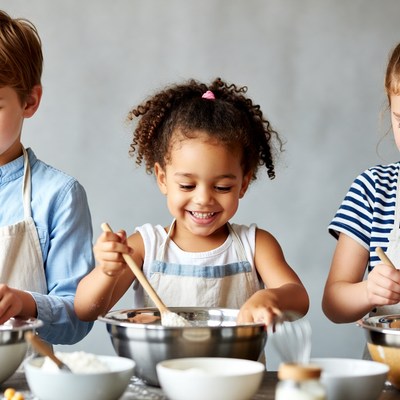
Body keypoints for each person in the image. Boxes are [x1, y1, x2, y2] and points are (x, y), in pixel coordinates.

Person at [74, 77, 309, 325]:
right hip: (156, 365)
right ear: (162, 179)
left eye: (222, 187)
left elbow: (299, 298)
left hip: (239, 365)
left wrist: (271, 297)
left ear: (244, 184)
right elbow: (84, 311)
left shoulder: (256, 245)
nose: (203, 199)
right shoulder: (145, 247)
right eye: (187, 185)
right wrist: (106, 271)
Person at [0, 10, 94, 344]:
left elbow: (78, 317)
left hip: (26, 385)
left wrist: (26, 303)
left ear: (30, 101)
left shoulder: (60, 195)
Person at [323, 42, 400, 324]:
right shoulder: (374, 189)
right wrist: (370, 291)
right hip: (387, 361)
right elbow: (333, 303)